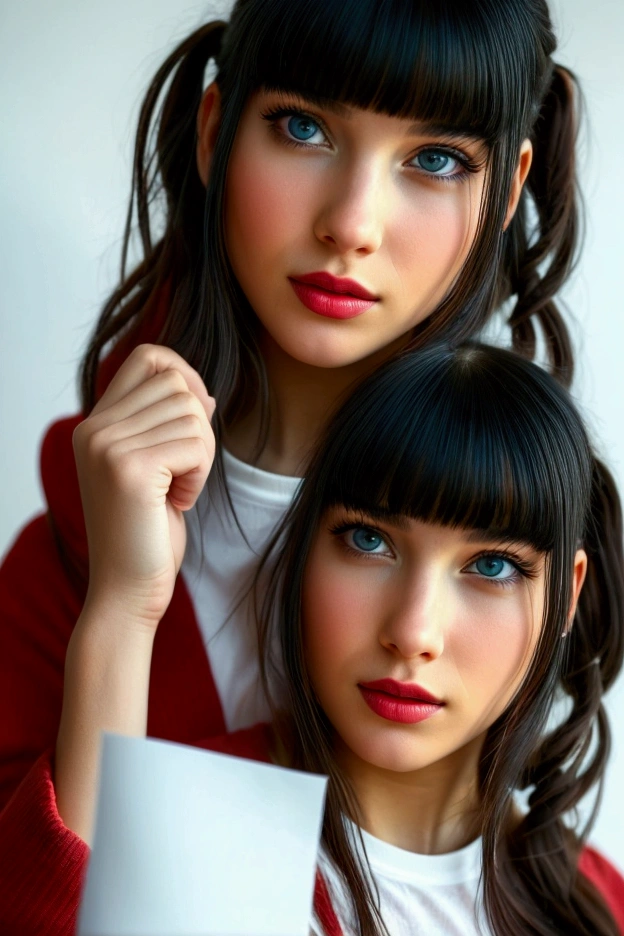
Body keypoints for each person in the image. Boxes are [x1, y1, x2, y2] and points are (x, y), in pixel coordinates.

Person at [0, 0, 620, 929]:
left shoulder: (518, 516)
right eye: (303, 128)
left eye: (436, 158)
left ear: (505, 190)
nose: (352, 223)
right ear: (216, 131)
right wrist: (122, 611)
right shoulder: (68, 572)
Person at [256, 342, 624, 935]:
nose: (412, 633)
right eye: (369, 541)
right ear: (305, 547)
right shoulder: (188, 818)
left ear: (568, 596)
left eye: (494, 567)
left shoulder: (598, 909)